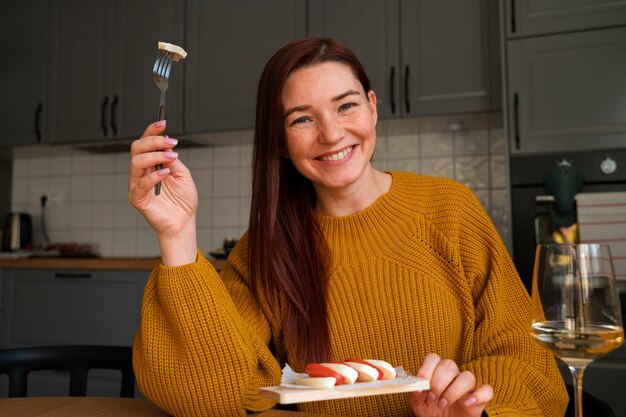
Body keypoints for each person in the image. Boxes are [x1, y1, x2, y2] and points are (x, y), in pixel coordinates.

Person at [128, 37, 568, 417]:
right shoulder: (265, 252)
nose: (332, 133)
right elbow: (208, 396)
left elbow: (524, 354)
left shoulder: (450, 209)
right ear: (280, 141)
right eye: (302, 118)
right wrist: (177, 234)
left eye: (347, 106)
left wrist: (476, 408)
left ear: (372, 108)